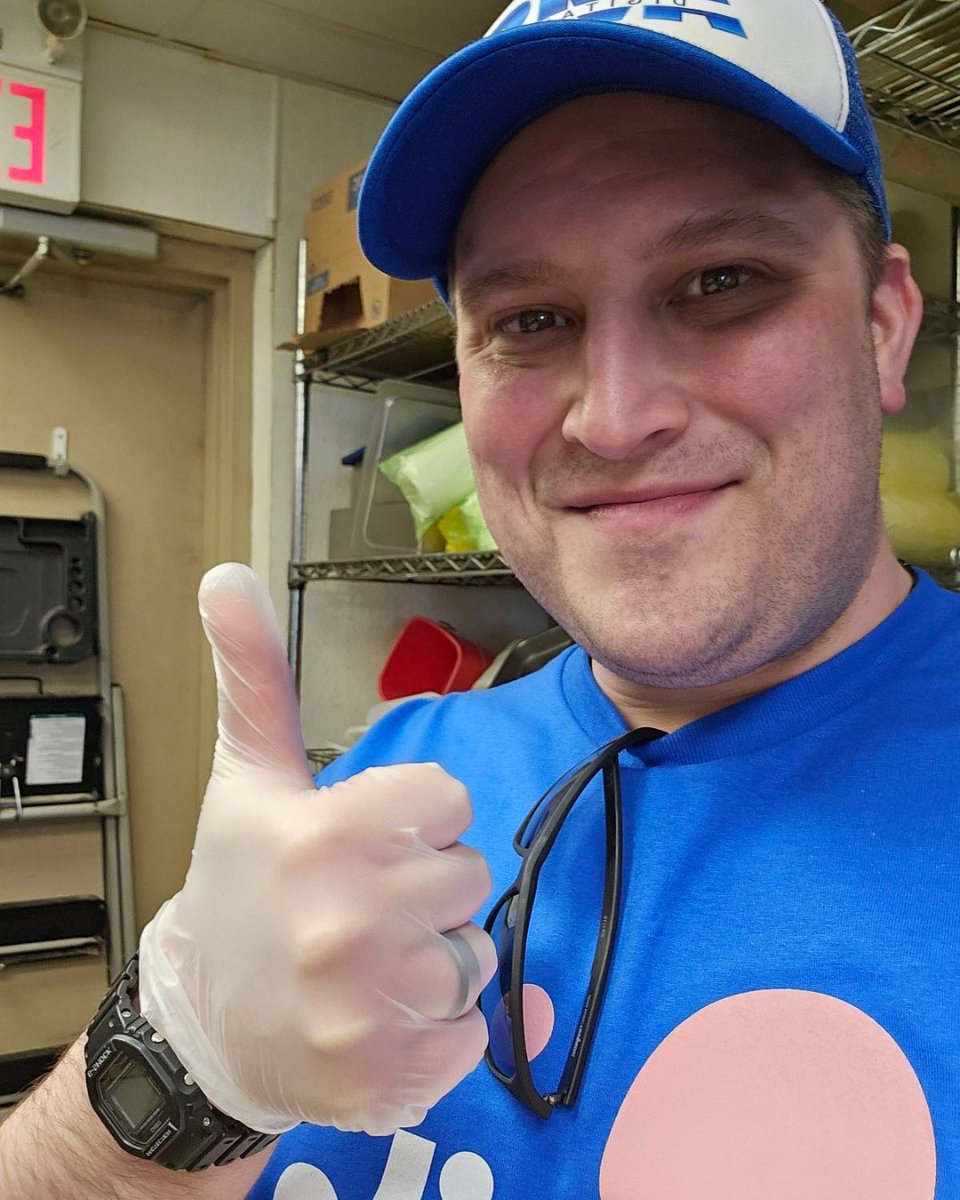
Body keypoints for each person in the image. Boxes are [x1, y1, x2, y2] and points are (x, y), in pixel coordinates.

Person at [1, 0, 956, 1196]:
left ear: (882, 325)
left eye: (723, 280)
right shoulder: (386, 787)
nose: (613, 417)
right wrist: (174, 1067)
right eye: (532, 320)